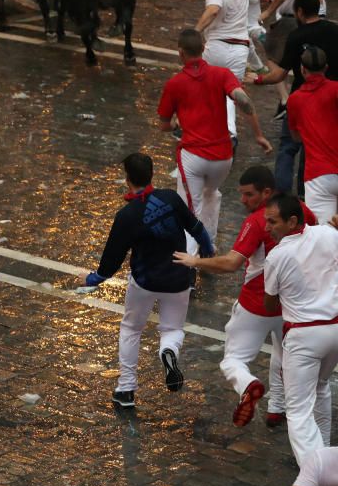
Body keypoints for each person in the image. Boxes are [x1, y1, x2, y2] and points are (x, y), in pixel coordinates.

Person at [174, 166, 316, 427]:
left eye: (249, 194)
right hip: (292, 305)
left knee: (233, 360)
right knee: (282, 355)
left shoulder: (256, 222)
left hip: (256, 304)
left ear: (266, 192)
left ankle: (249, 385)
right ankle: (277, 409)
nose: (243, 200)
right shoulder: (301, 211)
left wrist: (195, 261)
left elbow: (231, 263)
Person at [81, 153, 215, 408]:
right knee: (172, 329)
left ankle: (126, 390)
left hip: (145, 281)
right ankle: (169, 353)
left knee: (131, 328)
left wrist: (92, 279)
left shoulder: (127, 216)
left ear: (127, 179)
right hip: (179, 276)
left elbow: (111, 261)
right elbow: (196, 227)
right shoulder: (170, 198)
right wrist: (207, 251)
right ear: (151, 174)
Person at [158, 28, 271, 254]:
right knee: (211, 194)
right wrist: (258, 134)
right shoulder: (222, 75)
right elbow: (243, 102)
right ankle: (209, 246)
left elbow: (163, 124)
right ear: (203, 48)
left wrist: (175, 125)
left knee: (190, 210)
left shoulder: (175, 84)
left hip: (193, 155)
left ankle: (188, 265)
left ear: (181, 53)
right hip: (223, 156)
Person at [263, 194, 338, 466]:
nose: (267, 227)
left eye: (273, 222)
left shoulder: (277, 255)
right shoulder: (328, 235)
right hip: (334, 330)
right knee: (321, 388)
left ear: (292, 221)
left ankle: (318, 476)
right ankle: (326, 453)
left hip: (304, 336)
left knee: (297, 412)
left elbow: (269, 303)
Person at [249, 0, 338, 196]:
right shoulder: (335, 30)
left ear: (299, 11)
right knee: (313, 147)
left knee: (288, 147)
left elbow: (279, 74)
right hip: (330, 100)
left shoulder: (297, 36)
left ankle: (281, 194)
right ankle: (303, 192)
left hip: (302, 98)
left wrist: (258, 78)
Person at [192, 0, 253, 138]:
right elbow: (228, 0)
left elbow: (213, 10)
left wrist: (195, 32)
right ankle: (230, 132)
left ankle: (194, 129)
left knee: (202, 89)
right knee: (230, 93)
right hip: (240, 50)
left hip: (217, 47)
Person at [286, 47, 338, 221]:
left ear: (302, 69)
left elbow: (295, 137)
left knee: (323, 235)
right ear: (326, 67)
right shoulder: (336, 89)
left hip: (318, 175)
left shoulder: (294, 99)